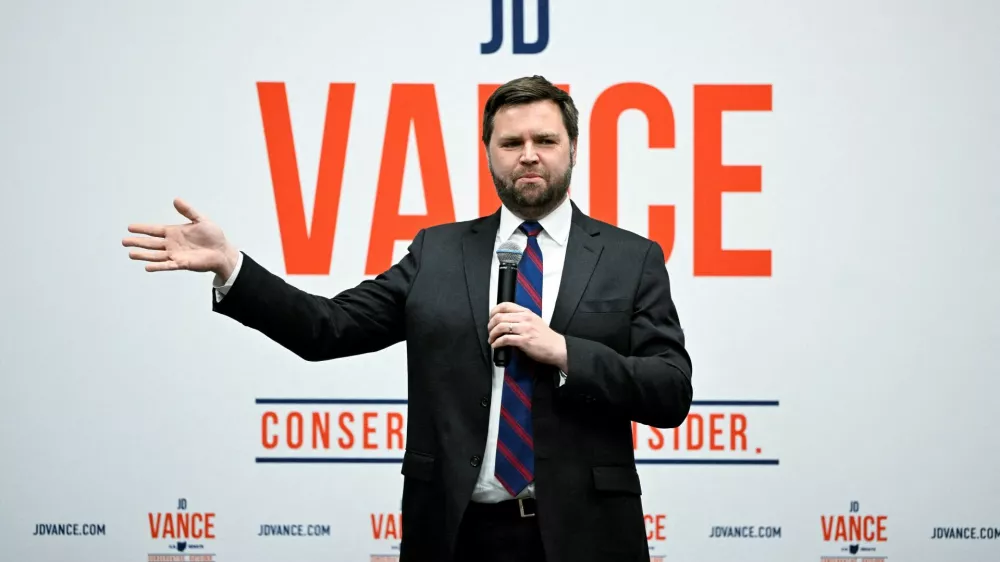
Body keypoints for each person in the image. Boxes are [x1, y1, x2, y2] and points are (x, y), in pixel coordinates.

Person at [123, 75, 693, 562]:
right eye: (510, 141)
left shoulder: (630, 257)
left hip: (587, 538)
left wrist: (565, 351)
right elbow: (328, 328)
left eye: (545, 139)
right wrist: (233, 268)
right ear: (489, 151)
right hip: (455, 534)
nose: (528, 154)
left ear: (572, 148)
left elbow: (670, 390)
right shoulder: (438, 253)